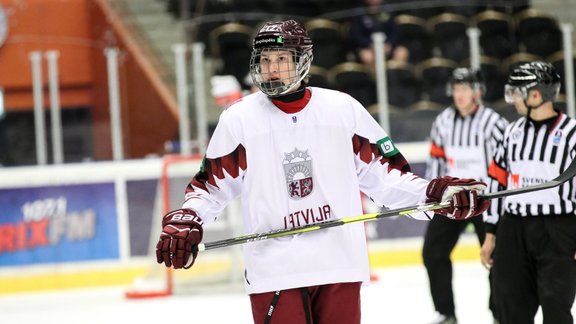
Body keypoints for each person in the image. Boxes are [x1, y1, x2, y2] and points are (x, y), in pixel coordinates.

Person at [155, 20, 490, 324]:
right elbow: (211, 187)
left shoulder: (342, 109)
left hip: (339, 264)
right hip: (275, 271)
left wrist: (436, 195)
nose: (272, 69)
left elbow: (387, 177)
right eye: (266, 60)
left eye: (281, 59)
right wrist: (190, 218)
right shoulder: (239, 119)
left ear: (301, 61)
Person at [480, 61, 576, 324]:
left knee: (556, 304)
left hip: (559, 231)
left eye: (518, 92)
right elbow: (497, 183)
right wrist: (490, 233)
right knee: (510, 305)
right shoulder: (511, 133)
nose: (513, 99)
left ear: (536, 94)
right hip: (514, 229)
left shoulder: (572, 135)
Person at [422, 68, 508, 324]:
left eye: (465, 89)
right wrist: (433, 197)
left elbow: (506, 164)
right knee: (432, 253)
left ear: (478, 92)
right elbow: (436, 162)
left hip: (488, 201)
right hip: (453, 202)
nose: (459, 95)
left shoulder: (494, 123)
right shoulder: (443, 122)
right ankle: (446, 313)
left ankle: (499, 312)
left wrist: (502, 200)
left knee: (497, 258)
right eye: (456, 89)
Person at [348, 0, 408, 69]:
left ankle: (395, 77)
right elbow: (356, 35)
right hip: (368, 47)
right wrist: (370, 45)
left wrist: (389, 44)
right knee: (367, 57)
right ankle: (374, 78)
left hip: (387, 45)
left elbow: (394, 31)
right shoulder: (359, 11)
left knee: (402, 52)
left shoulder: (387, 8)